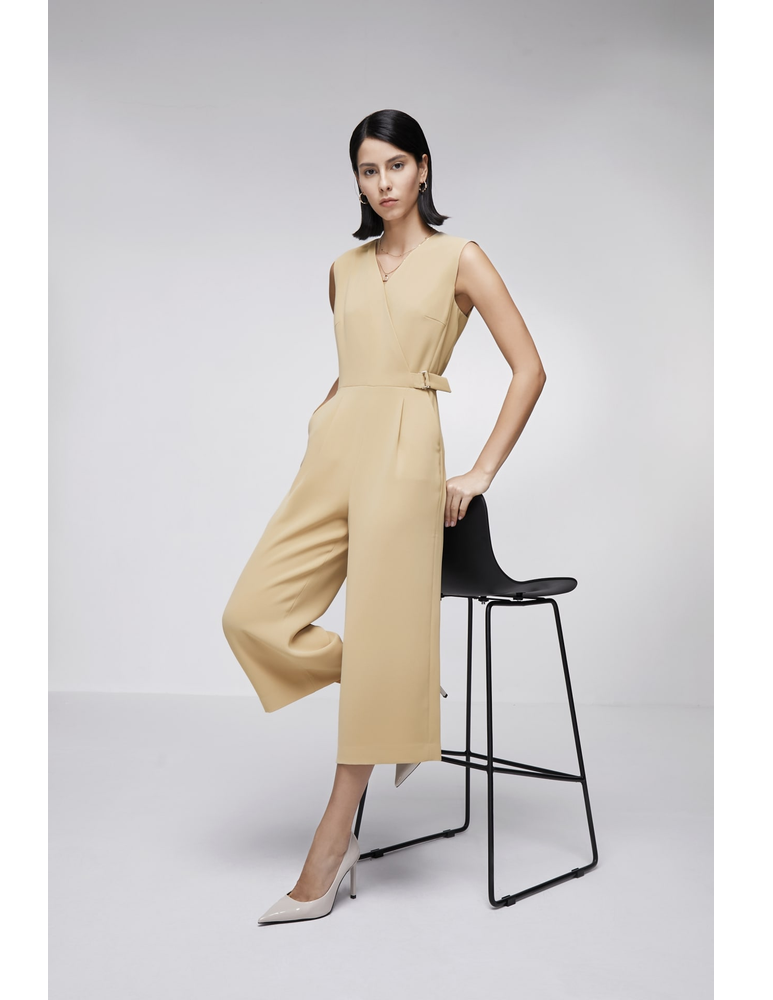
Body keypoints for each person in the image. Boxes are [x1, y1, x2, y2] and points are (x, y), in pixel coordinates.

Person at [221, 109, 547, 923]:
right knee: (252, 616)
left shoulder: (461, 257)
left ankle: (329, 850)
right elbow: (352, 368)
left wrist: (480, 470)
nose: (383, 183)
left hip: (408, 453)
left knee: (375, 632)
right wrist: (321, 422)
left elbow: (530, 369)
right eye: (369, 171)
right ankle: (400, 683)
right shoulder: (343, 268)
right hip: (336, 448)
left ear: (423, 168)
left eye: (396, 165)